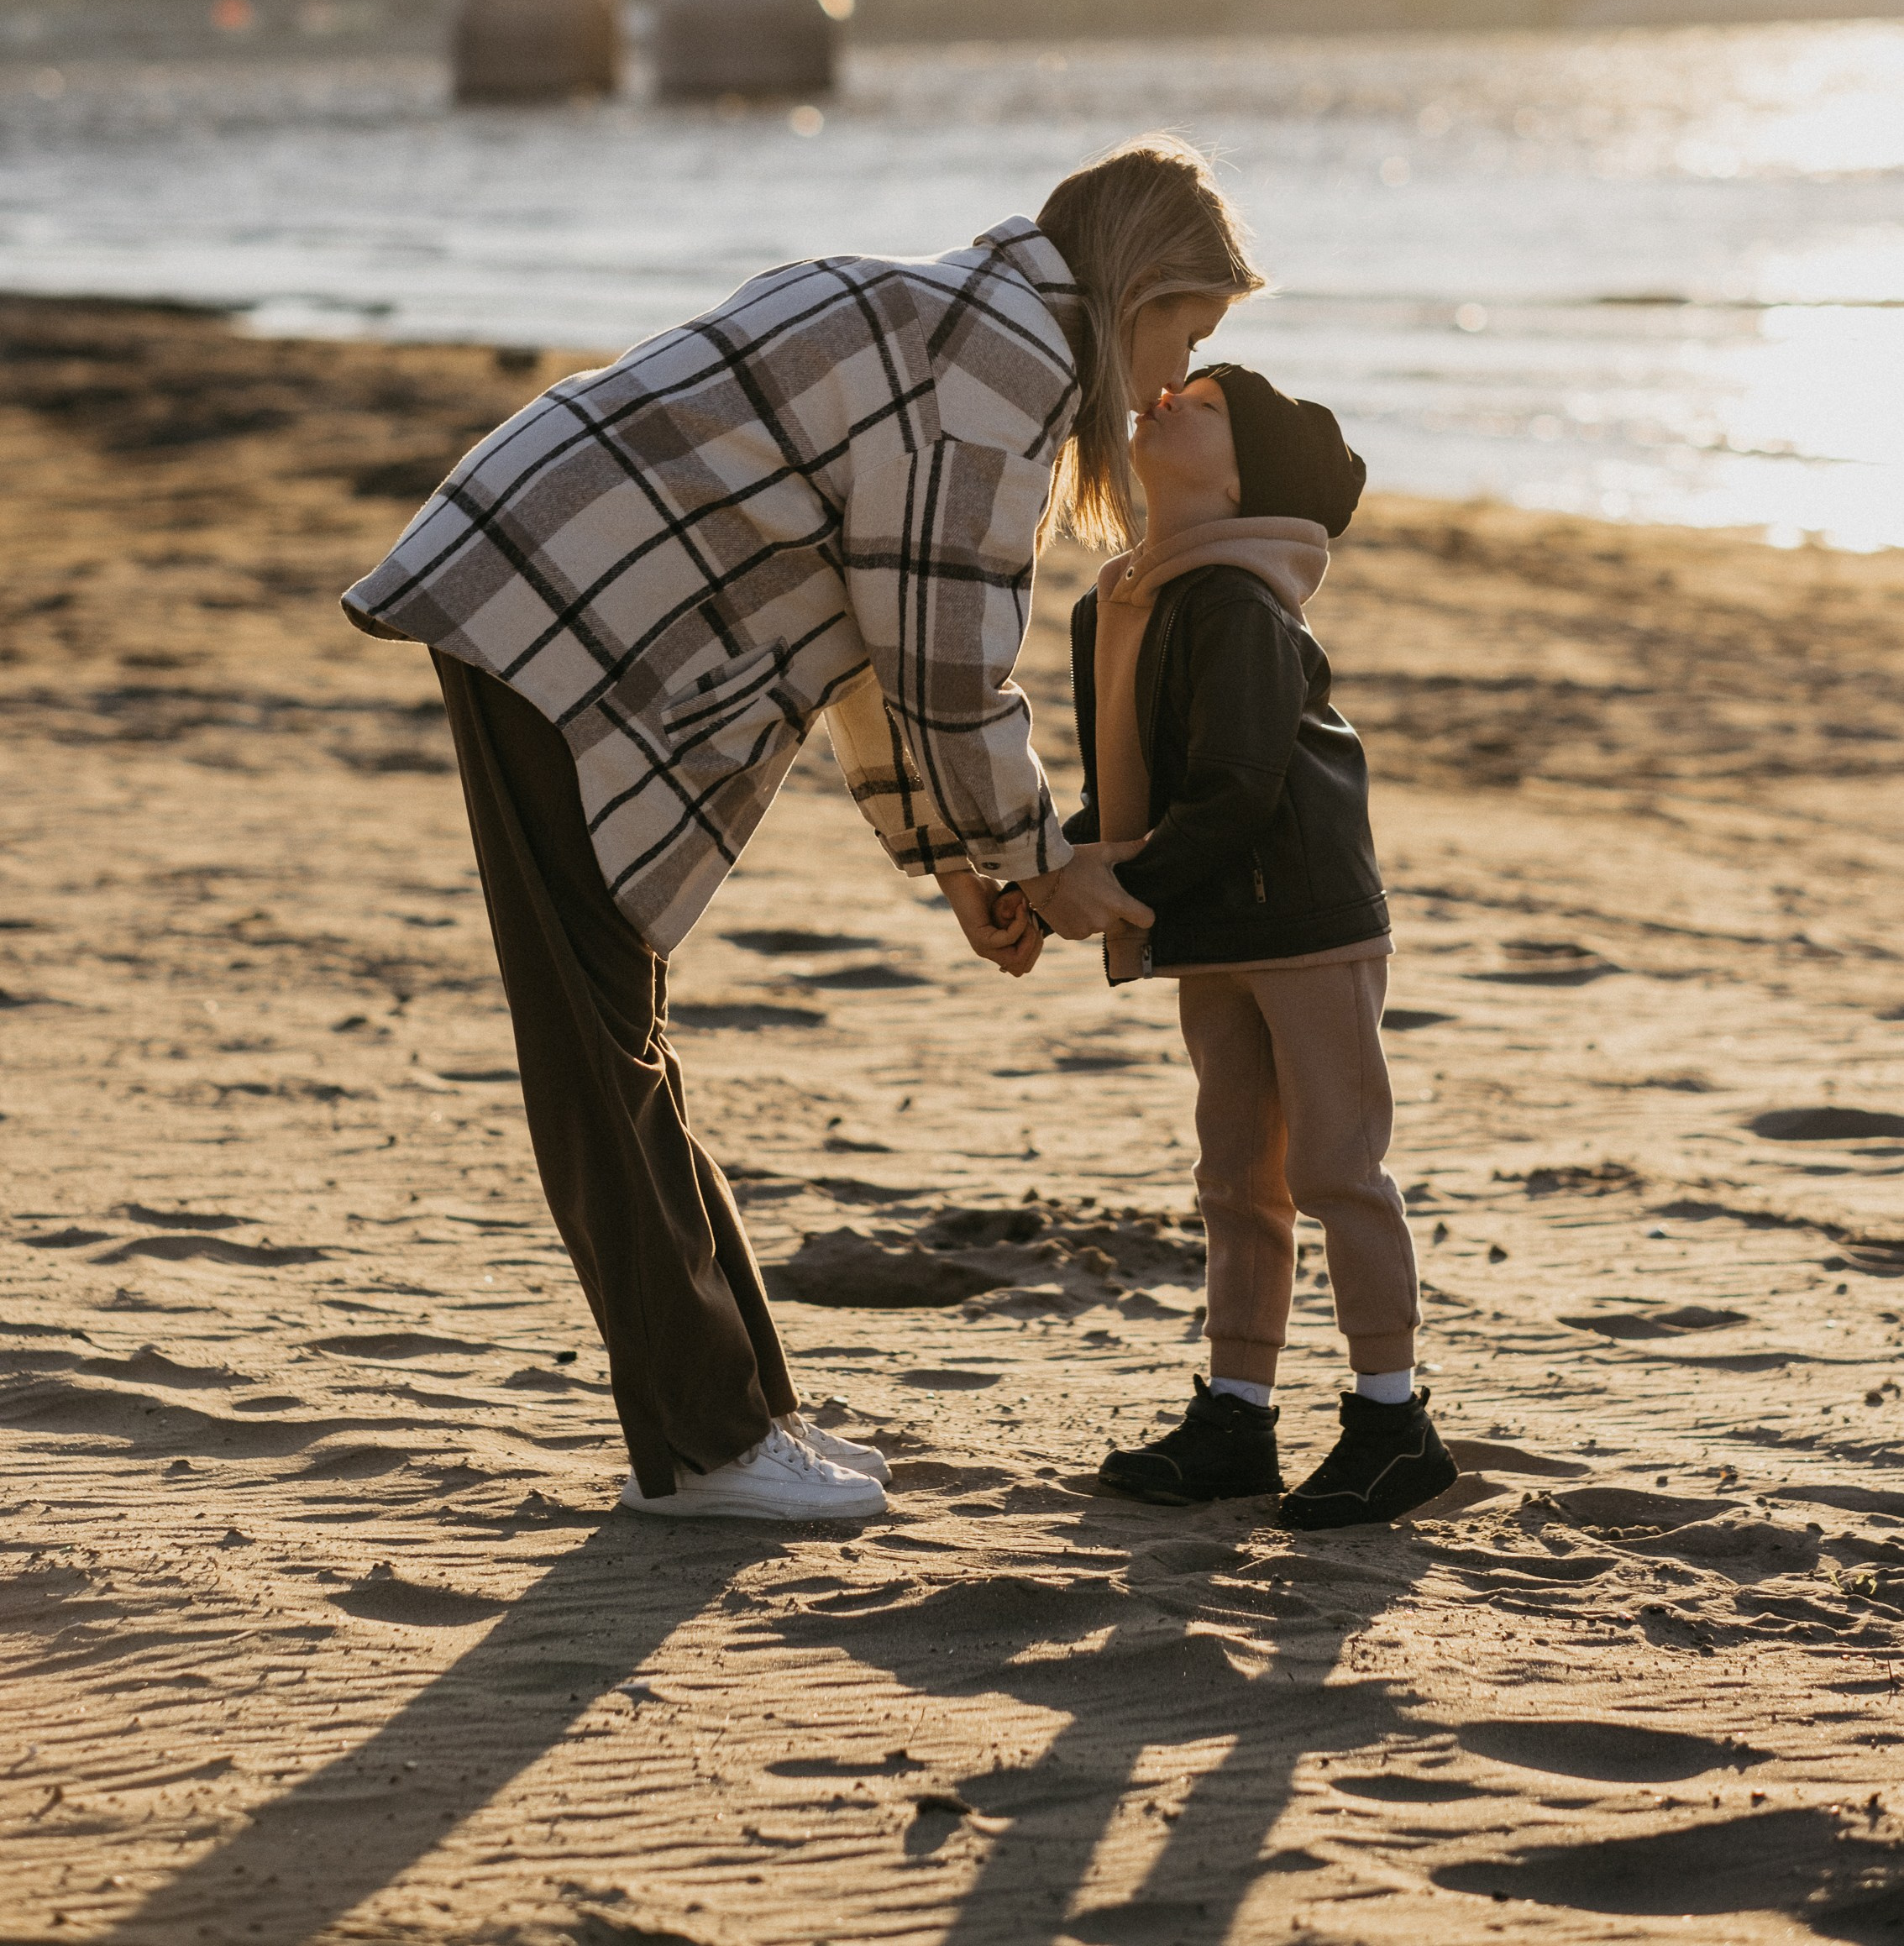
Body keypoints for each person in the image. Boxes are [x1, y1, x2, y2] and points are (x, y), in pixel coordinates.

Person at [341, 139, 1261, 1521]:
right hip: (551, 603)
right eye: (1184, 331)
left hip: (552, 585)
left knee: (617, 1035)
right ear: (1139, 285)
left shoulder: (968, 323)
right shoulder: (1006, 364)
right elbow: (948, 667)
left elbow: (883, 643)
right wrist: (1038, 859)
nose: (1172, 382)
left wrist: (964, 863)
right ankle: (704, 1449)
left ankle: (742, 1417)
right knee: (596, 1054)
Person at [1065, 361, 1457, 1529]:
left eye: (1210, 401)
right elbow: (1139, 791)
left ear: (1241, 480)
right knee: (1237, 1174)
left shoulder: (1236, 601)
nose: (1169, 393)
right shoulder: (1137, 597)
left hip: (1304, 922)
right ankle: (1237, 1412)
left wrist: (1113, 883)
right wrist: (1053, 874)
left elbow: (1233, 789)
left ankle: (1393, 1420)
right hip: (1217, 918)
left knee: (1337, 1167)